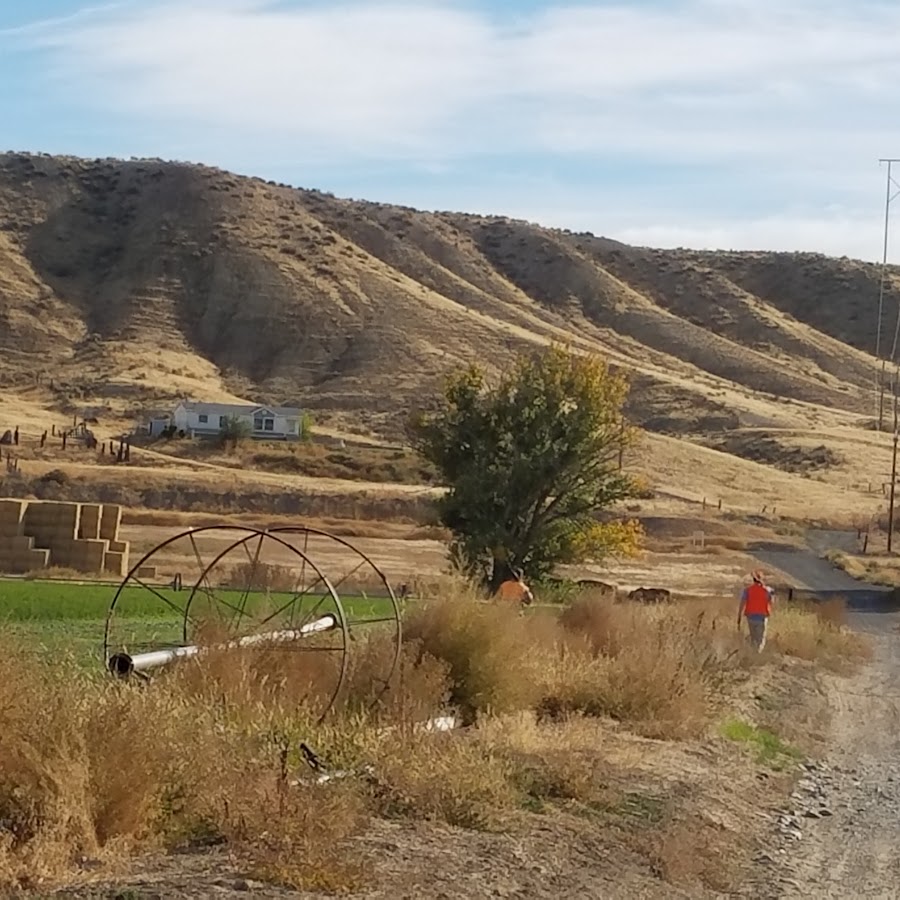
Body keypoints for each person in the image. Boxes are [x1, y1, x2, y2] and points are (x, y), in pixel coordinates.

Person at [738, 570, 775, 651]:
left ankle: (751, 654)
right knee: (760, 640)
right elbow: (772, 602)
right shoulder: (767, 590)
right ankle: (756, 657)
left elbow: (742, 603)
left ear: (753, 580)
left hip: (750, 617)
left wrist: (739, 616)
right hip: (762, 618)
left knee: (753, 638)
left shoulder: (748, 590)